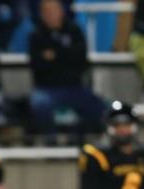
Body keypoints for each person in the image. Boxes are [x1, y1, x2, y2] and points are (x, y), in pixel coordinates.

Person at [28, 0, 105, 141]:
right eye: (46, 12)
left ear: (61, 11)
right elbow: (38, 66)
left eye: (53, 10)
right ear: (42, 14)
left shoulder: (74, 31)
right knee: (39, 104)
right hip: (47, 88)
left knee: (98, 106)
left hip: (74, 87)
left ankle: (78, 138)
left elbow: (81, 61)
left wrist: (54, 55)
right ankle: (50, 141)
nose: (50, 15)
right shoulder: (36, 35)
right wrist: (65, 55)